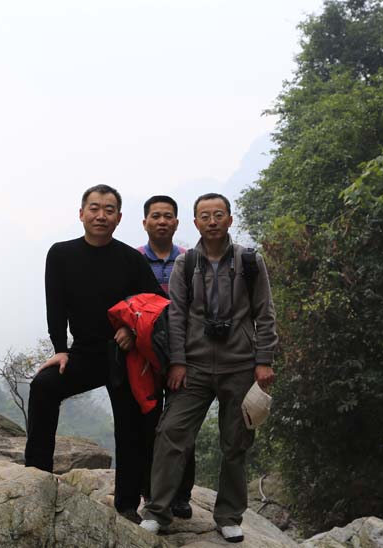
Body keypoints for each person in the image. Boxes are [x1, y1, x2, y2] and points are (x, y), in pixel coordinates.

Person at [140, 193, 278, 543]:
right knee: (171, 434)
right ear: (195, 222)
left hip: (240, 365)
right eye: (205, 216)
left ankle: (229, 516)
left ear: (230, 219)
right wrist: (178, 362)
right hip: (195, 366)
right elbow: (176, 316)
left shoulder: (249, 261)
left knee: (236, 443)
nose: (212, 221)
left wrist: (264, 361)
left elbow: (264, 312)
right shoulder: (186, 264)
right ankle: (158, 512)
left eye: (218, 215)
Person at [24, 184, 162, 525]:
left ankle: (127, 502)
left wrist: (132, 330)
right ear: (81, 213)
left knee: (130, 423)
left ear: (119, 217)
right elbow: (55, 305)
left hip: (123, 355)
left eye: (109, 210)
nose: (101, 215)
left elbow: (157, 304)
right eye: (95, 208)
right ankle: (36, 479)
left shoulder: (131, 259)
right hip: (82, 353)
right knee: (43, 387)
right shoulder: (61, 254)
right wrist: (60, 349)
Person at [137, 195, 196, 520]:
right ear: (145, 222)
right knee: (146, 425)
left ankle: (181, 495)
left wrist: (182, 357)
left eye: (168, 216)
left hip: (181, 353)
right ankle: (150, 492)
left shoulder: (189, 260)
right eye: (156, 216)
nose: (162, 221)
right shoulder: (133, 259)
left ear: (176, 222)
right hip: (144, 355)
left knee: (181, 426)